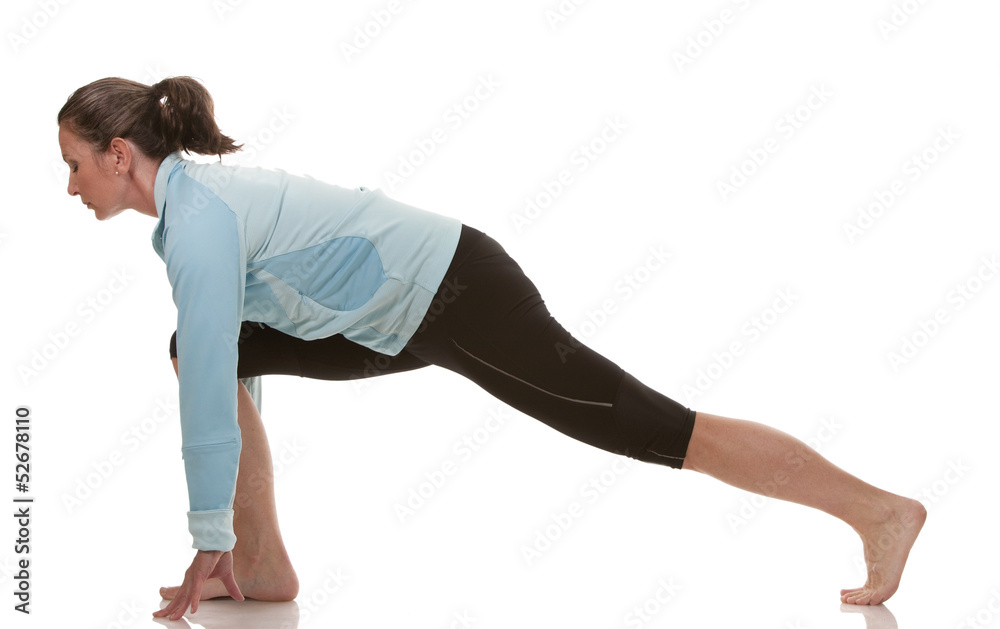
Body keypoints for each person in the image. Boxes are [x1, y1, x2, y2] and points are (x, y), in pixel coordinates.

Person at [56, 76, 925, 621]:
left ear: (120, 153)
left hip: (453, 292)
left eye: (75, 164)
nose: (70, 185)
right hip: (388, 315)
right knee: (198, 343)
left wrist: (204, 526)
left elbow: (211, 388)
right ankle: (263, 562)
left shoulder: (199, 221)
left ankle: (877, 510)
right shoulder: (191, 215)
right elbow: (222, 355)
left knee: (649, 423)